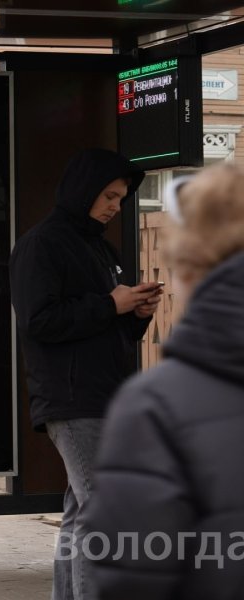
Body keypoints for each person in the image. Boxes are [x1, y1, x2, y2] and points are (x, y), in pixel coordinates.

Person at [84, 163, 244, 599]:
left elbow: (131, 571)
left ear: (185, 264)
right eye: (109, 196)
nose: (114, 208)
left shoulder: (158, 406)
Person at [9, 148, 162, 600]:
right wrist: (111, 304)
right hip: (73, 400)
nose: (115, 205)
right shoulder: (43, 244)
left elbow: (107, 325)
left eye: (121, 197)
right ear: (82, 190)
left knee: (81, 515)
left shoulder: (101, 247)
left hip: (105, 396)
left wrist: (136, 312)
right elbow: (39, 321)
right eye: (109, 195)